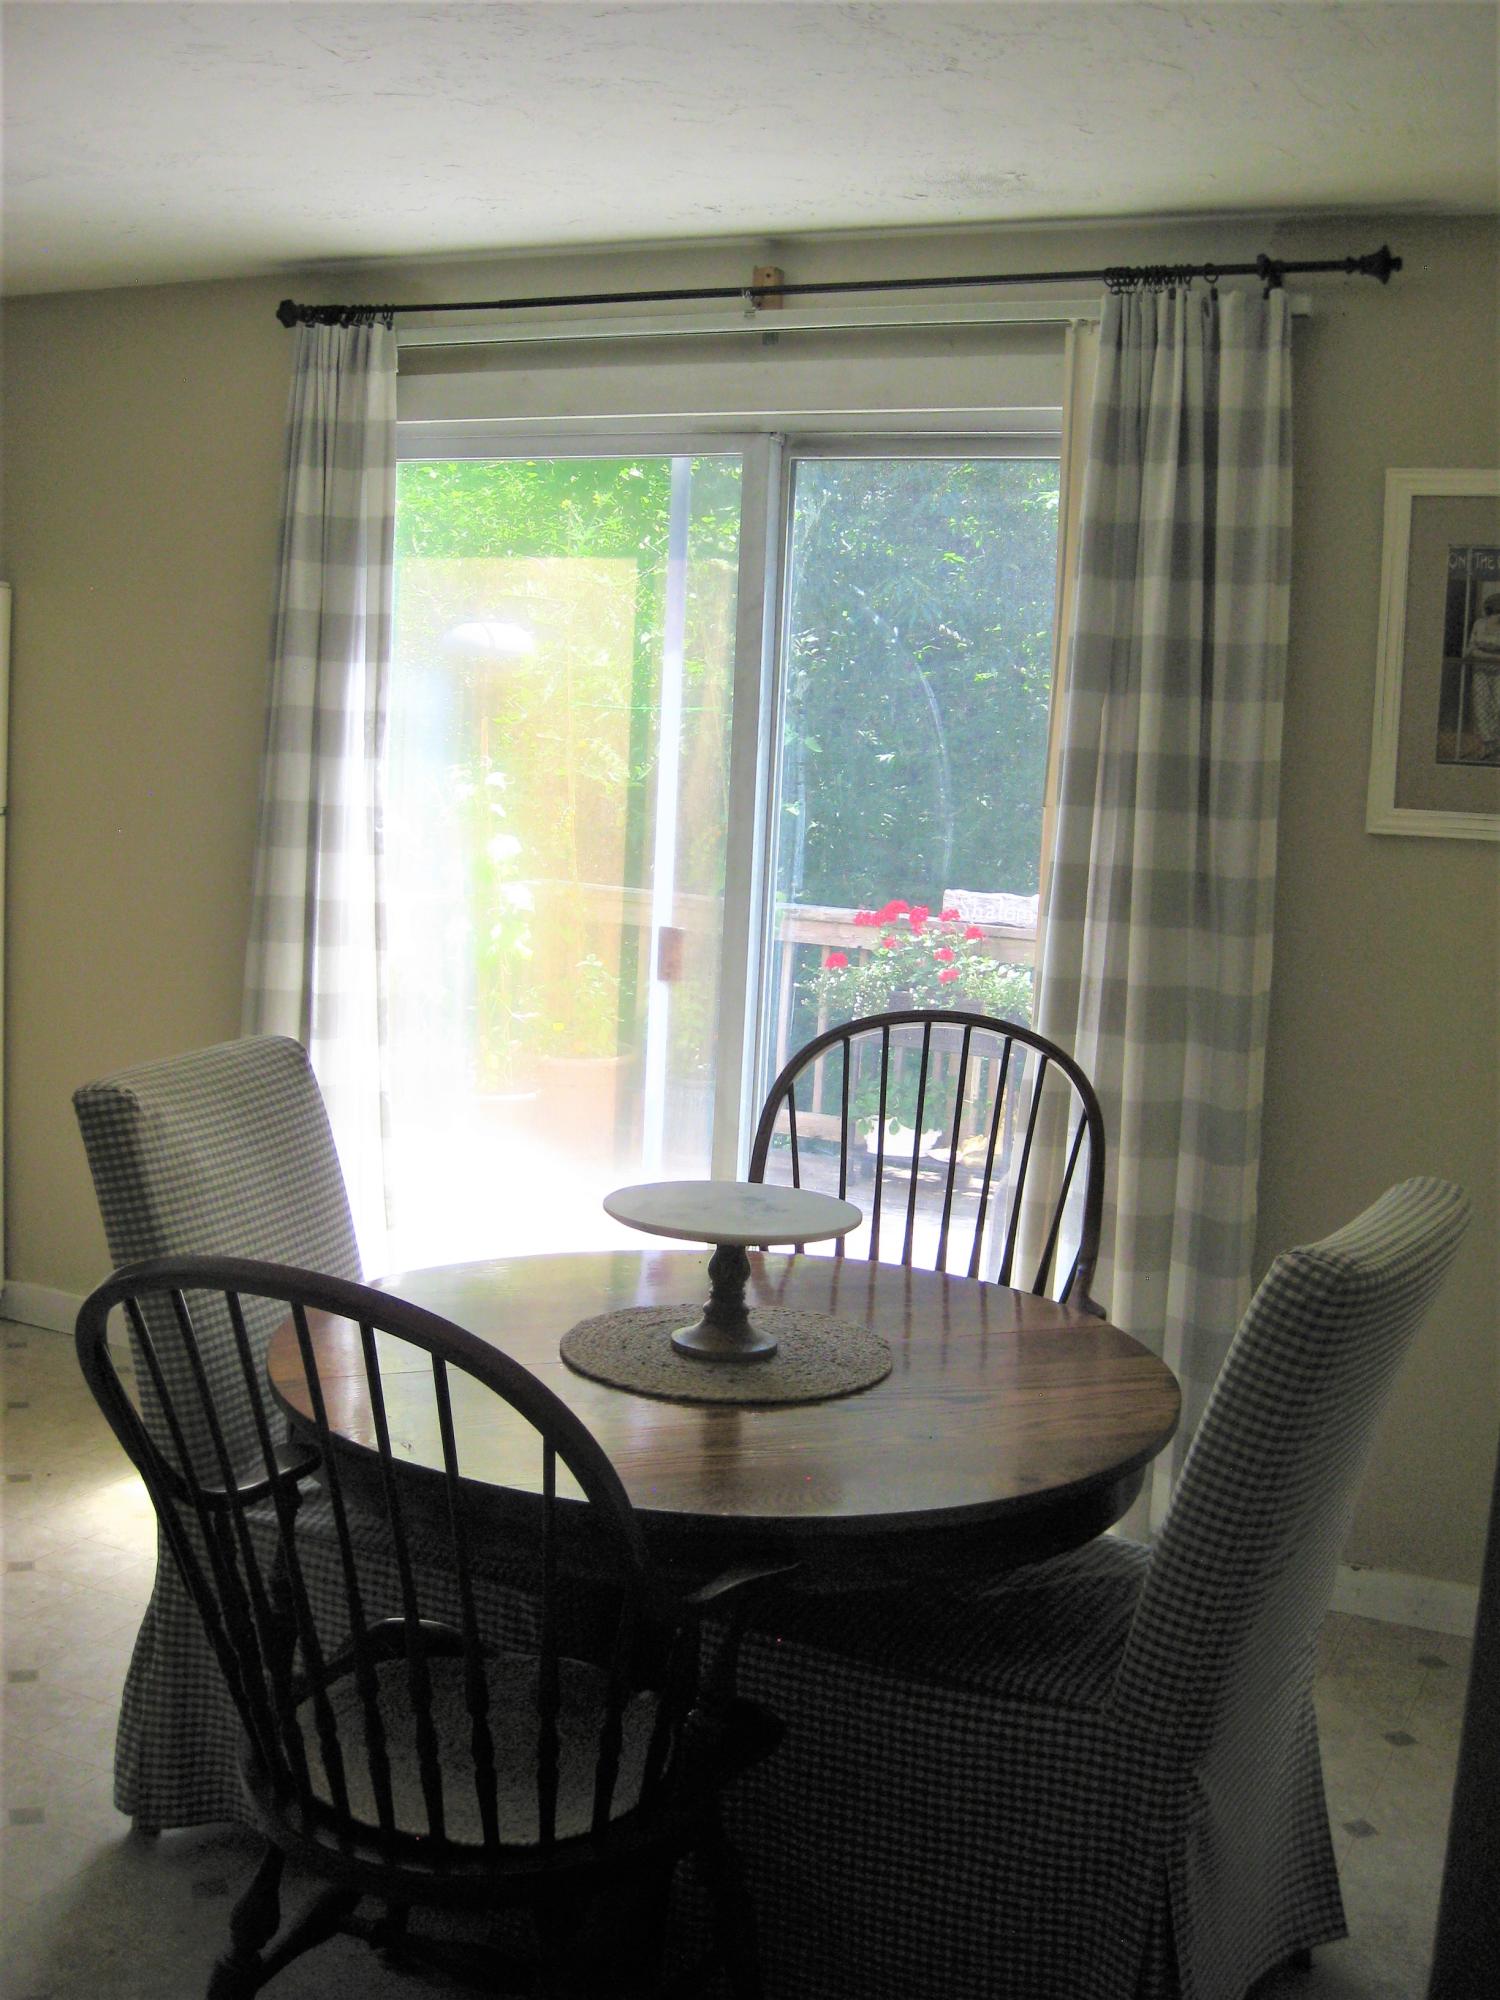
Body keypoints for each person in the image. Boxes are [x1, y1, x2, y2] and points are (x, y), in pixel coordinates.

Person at [1462, 585, 1500, 758]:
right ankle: (1488, 744)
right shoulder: (1479, 624)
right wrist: (1489, 655)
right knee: (1481, 705)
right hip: (1481, 672)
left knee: (1497, 706)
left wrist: (1483, 653)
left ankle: (1497, 743)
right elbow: (1470, 649)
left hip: (1498, 673)